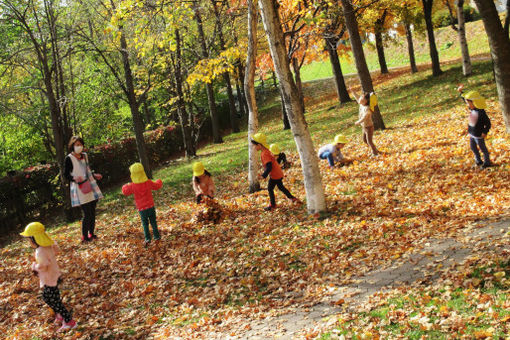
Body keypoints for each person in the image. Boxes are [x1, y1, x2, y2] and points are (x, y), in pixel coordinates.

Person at [20, 222, 77, 331]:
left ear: (34, 238)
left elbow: (44, 266)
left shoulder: (40, 251)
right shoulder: (47, 245)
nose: (29, 242)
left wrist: (34, 267)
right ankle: (60, 315)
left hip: (49, 278)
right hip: (54, 275)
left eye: (29, 239)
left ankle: (69, 321)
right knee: (52, 298)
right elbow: (57, 250)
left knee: (51, 299)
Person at [64, 136, 103, 243]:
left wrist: (94, 175)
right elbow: (66, 174)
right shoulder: (69, 158)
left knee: (92, 212)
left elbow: (87, 170)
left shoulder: (85, 156)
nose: (79, 147)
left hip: (90, 186)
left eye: (80, 144)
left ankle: (92, 233)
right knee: (87, 213)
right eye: (76, 145)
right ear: (72, 146)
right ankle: (84, 237)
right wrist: (74, 178)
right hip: (79, 188)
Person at [251, 133, 299, 211]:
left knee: (270, 188)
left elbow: (269, 166)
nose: (253, 147)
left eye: (254, 145)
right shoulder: (266, 151)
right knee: (281, 187)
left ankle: (273, 205)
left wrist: (263, 175)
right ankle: (292, 198)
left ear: (259, 145)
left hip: (275, 174)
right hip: (278, 172)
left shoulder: (264, 154)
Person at [122, 163, 163, 246]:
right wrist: (159, 180)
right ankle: (157, 236)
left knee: (145, 224)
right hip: (151, 206)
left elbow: (125, 191)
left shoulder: (133, 186)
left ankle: (148, 238)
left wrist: (125, 185)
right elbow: (157, 186)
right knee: (153, 222)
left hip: (142, 209)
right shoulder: (148, 182)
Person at [457, 85, 492, 168]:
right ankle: (478, 161)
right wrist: (460, 92)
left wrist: (485, 132)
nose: (467, 104)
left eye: (468, 103)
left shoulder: (481, 113)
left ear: (474, 103)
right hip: (472, 134)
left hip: (479, 135)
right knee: (473, 148)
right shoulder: (472, 109)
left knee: (483, 149)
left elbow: (488, 124)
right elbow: (464, 99)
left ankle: (487, 163)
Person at [349, 86, 380, 156]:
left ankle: (375, 153)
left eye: (362, 100)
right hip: (364, 127)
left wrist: (358, 121)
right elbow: (357, 97)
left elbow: (364, 117)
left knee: (369, 141)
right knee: (365, 140)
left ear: (366, 102)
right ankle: (375, 149)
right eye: (360, 98)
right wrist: (353, 91)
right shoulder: (361, 104)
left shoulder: (367, 109)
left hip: (369, 127)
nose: (360, 100)